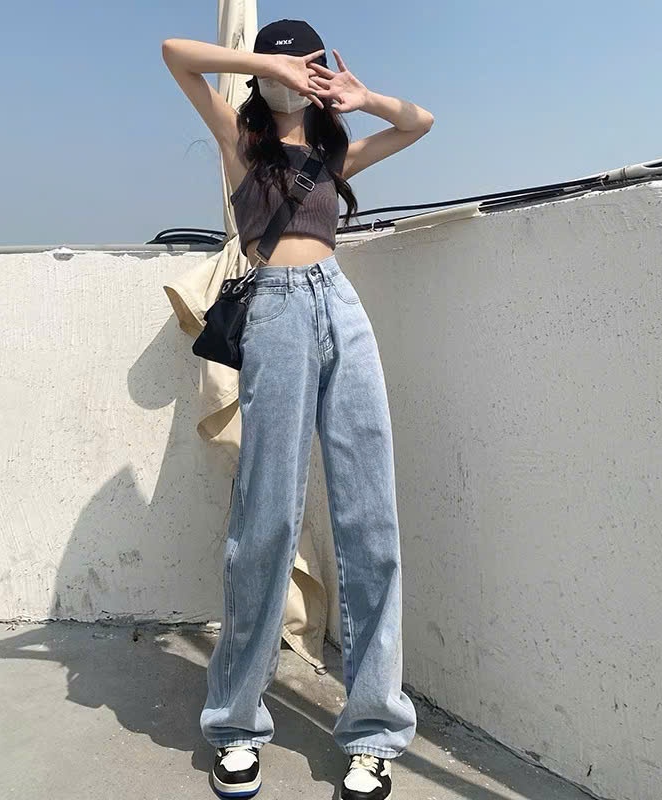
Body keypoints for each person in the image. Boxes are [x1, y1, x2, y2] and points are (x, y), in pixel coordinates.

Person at [162, 18, 433, 800]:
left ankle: (374, 730)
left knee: (370, 520)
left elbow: (420, 123)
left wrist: (362, 97)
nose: (293, 76)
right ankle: (235, 724)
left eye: (304, 65)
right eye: (283, 67)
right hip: (275, 315)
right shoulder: (240, 141)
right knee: (266, 521)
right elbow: (176, 55)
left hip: (340, 309)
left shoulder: (331, 153)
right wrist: (261, 64)